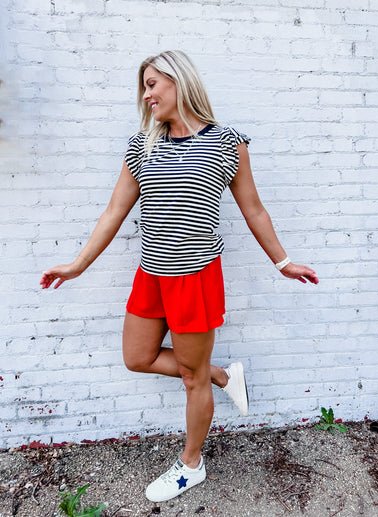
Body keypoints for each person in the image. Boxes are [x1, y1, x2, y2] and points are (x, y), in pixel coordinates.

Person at [40, 50, 319, 503]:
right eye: (144, 87)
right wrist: (77, 265)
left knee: (192, 378)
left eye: (152, 84)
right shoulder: (141, 146)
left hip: (196, 278)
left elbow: (254, 210)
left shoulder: (227, 143)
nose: (146, 95)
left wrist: (283, 262)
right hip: (151, 274)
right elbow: (113, 212)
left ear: (179, 81)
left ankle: (192, 464)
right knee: (137, 357)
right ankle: (222, 376)